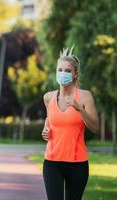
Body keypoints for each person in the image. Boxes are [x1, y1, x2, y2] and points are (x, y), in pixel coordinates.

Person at [41, 45, 99, 200]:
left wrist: (80, 109)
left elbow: (95, 127)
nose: (63, 74)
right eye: (60, 70)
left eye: (68, 71)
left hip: (77, 164)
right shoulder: (48, 97)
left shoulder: (85, 97)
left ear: (75, 75)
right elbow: (50, 120)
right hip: (52, 163)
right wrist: (45, 130)